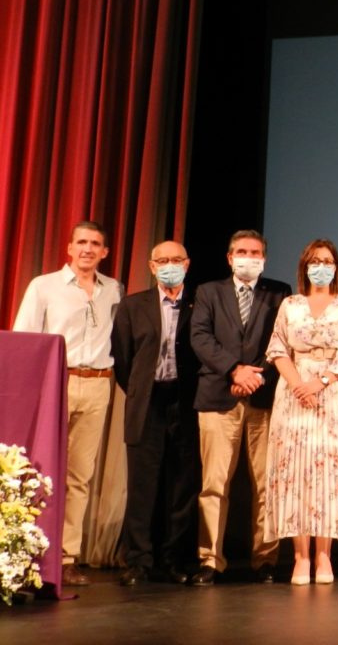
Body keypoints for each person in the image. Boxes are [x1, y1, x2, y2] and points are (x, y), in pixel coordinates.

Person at [13, 220, 123, 586]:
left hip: (99, 384)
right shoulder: (44, 286)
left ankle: (66, 557)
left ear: (105, 252)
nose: (88, 249)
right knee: (40, 471)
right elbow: (25, 340)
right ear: (70, 248)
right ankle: (29, 554)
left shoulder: (114, 290)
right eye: (82, 242)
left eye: (95, 243)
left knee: (80, 476)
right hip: (57, 383)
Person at [189, 229, 291, 585]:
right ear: (230, 258)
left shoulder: (279, 293)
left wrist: (254, 376)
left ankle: (265, 559)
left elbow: (282, 338)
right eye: (242, 252)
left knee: (266, 484)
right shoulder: (208, 292)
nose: (249, 257)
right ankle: (210, 559)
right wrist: (234, 370)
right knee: (214, 484)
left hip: (263, 397)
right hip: (218, 396)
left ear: (264, 258)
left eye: (256, 252)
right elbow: (200, 337)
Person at [264, 239, 338, 585]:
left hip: (333, 392)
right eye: (315, 261)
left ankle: (324, 556)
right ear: (305, 267)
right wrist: (298, 384)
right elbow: (278, 347)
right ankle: (300, 557)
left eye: (327, 261)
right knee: (297, 471)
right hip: (295, 393)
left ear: (336, 267)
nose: (321, 266)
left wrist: (320, 382)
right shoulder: (290, 304)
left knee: (330, 474)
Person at [111, 240, 200, 586]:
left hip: (186, 401)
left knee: (182, 485)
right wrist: (141, 390)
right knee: (142, 485)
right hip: (147, 402)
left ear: (187, 264)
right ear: (151, 267)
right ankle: (138, 561)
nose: (169, 265)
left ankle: (173, 559)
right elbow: (123, 360)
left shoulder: (199, 303)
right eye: (162, 261)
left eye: (176, 259)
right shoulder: (132, 305)